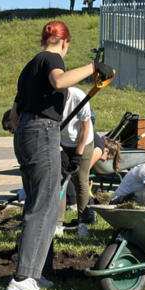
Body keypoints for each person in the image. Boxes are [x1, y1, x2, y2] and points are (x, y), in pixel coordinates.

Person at [5, 20, 115, 290]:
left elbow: (15, 115)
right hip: (42, 133)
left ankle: (35, 272)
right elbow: (59, 81)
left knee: (44, 204)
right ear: (64, 42)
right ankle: (23, 279)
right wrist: (93, 67)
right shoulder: (51, 58)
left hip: (25, 134)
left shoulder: (29, 67)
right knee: (44, 207)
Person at [59, 87, 95, 238]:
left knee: (81, 181)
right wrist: (61, 151)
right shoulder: (49, 101)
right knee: (59, 183)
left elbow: (84, 129)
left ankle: (83, 223)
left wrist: (77, 156)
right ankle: (58, 224)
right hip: (62, 142)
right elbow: (51, 129)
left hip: (84, 142)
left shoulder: (79, 98)